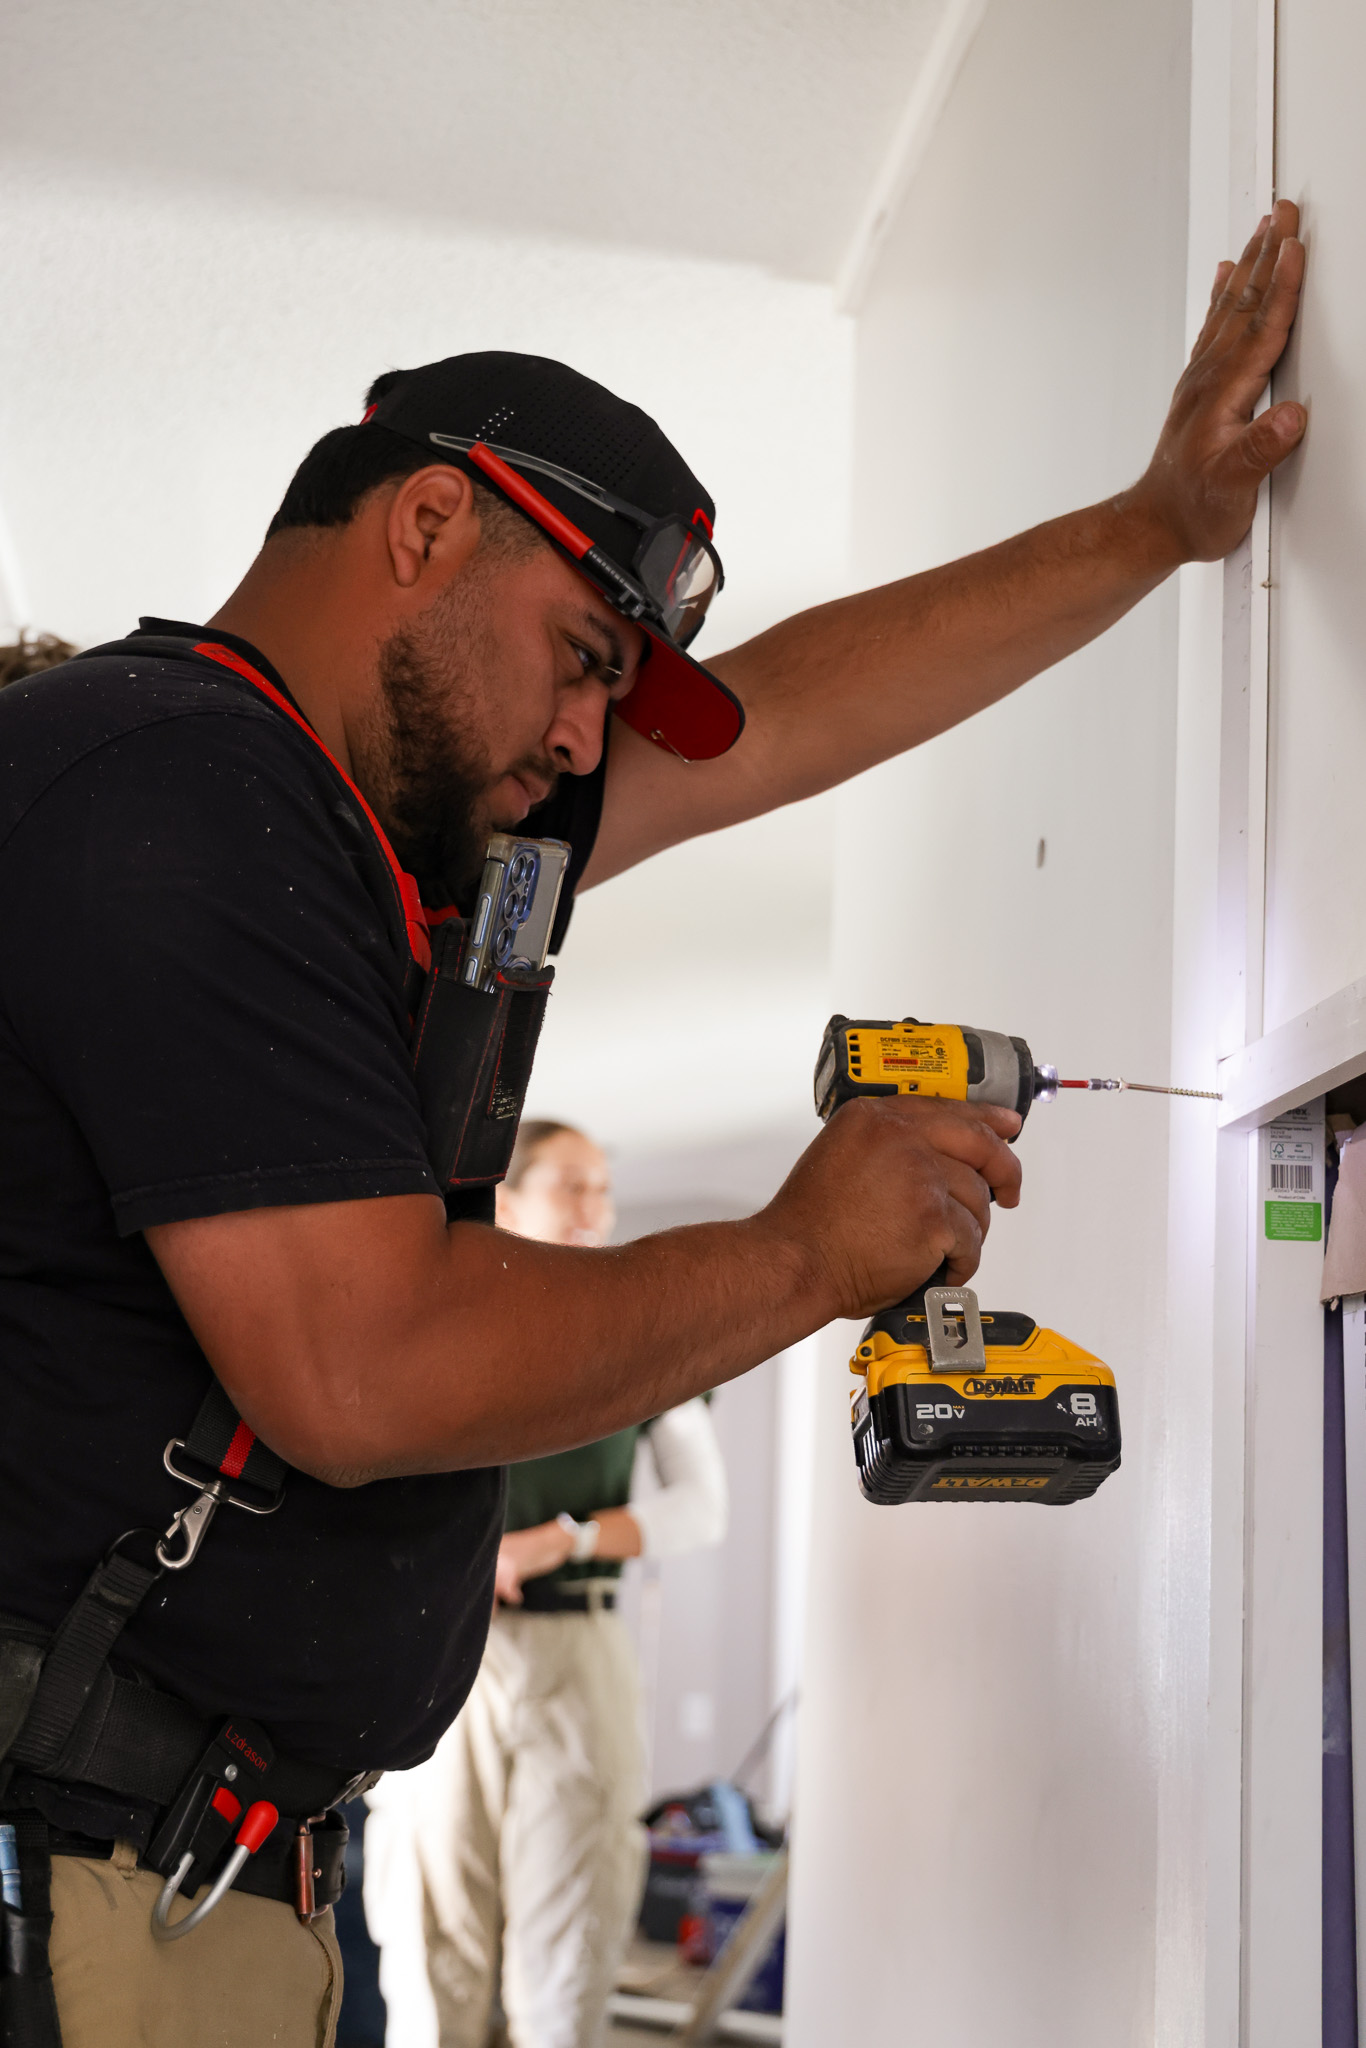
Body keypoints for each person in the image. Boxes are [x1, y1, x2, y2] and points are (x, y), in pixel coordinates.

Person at [0, 205, 1305, 2048]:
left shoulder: (399, 843)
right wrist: (793, 1254)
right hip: (82, 1898)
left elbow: (784, 716)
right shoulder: (179, 793)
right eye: (584, 652)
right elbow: (361, 1366)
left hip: (210, 1881)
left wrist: (1157, 523)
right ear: (427, 524)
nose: (589, 727)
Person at [366, 1120, 728, 2048]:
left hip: (578, 1656)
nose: (595, 1208)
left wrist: (560, 1542)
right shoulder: (431, 1322)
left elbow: (702, 1508)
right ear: (508, 1197)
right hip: (443, 1652)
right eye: (572, 1185)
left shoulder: (642, 1335)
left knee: (571, 1933)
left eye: (603, 1189)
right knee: (432, 1930)